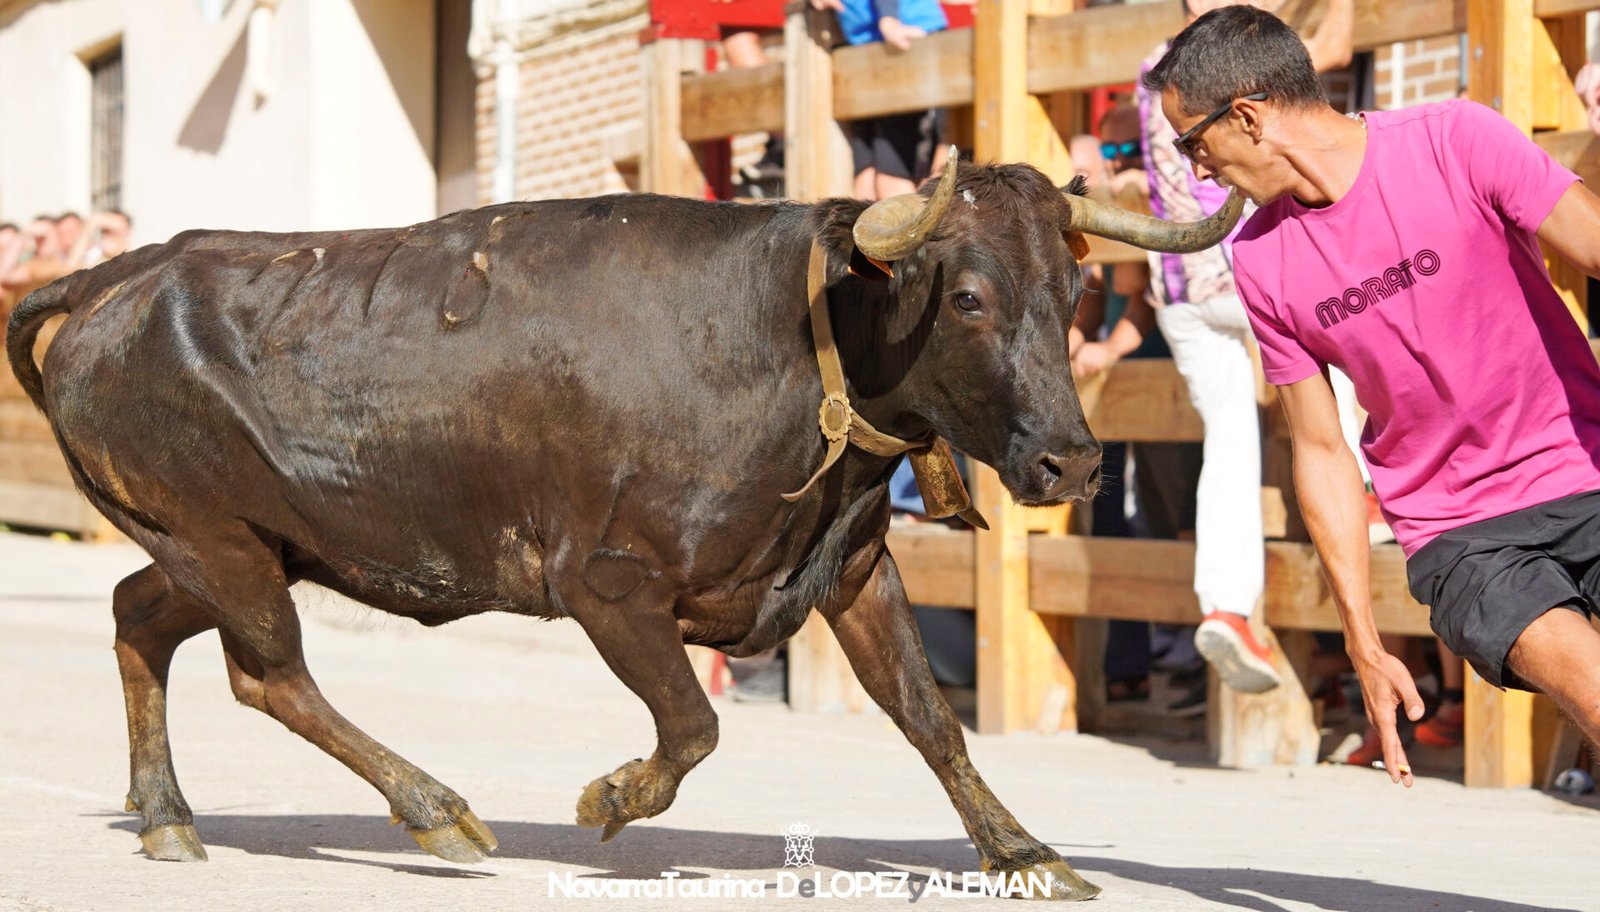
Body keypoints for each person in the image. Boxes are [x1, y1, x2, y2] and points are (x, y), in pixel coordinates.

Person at [1143, 4, 1600, 785]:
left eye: (1194, 142)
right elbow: (1320, 450)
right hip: (1462, 534)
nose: (1197, 170)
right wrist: (1360, 633)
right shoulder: (1260, 260)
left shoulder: (1456, 139)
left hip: (1585, 466)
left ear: (1247, 117)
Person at [1135, 0, 1352, 696]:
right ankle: (1372, 496)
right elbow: (1336, 48)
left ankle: (1226, 606)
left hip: (1178, 288)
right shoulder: (1237, 68)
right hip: (1239, 271)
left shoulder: (1154, 70)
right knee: (1346, 334)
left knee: (1228, 443)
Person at [811, 0, 948, 200]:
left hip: (906, 39)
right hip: (867, 51)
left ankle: (920, 229)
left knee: (891, 180)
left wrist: (889, 19)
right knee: (865, 181)